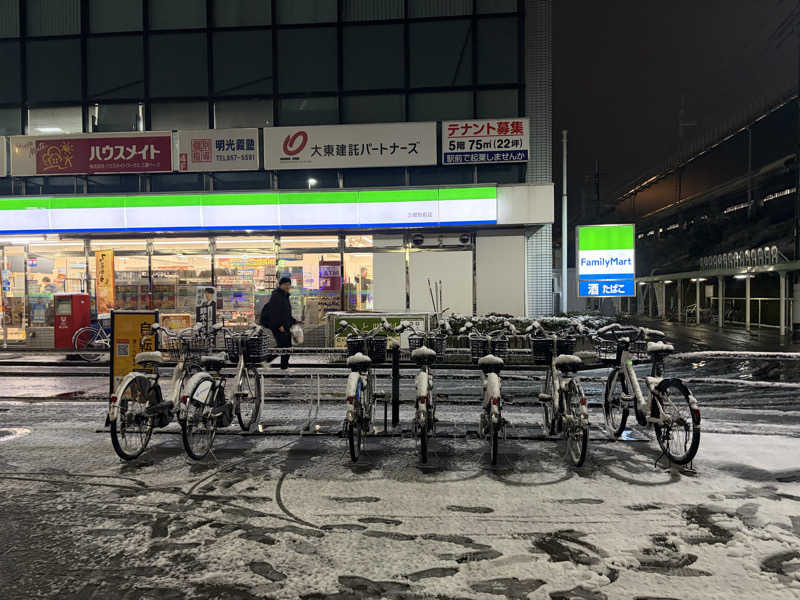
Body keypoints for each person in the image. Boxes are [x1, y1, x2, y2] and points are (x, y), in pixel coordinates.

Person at [260, 277, 297, 370]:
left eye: (289, 284)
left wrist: (294, 321)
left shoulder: (284, 296)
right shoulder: (276, 296)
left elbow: (286, 312)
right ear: (281, 285)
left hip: (285, 325)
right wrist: (279, 325)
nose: (288, 286)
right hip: (279, 326)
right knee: (284, 346)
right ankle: (267, 361)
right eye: (286, 284)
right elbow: (274, 312)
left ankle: (283, 366)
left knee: (286, 347)